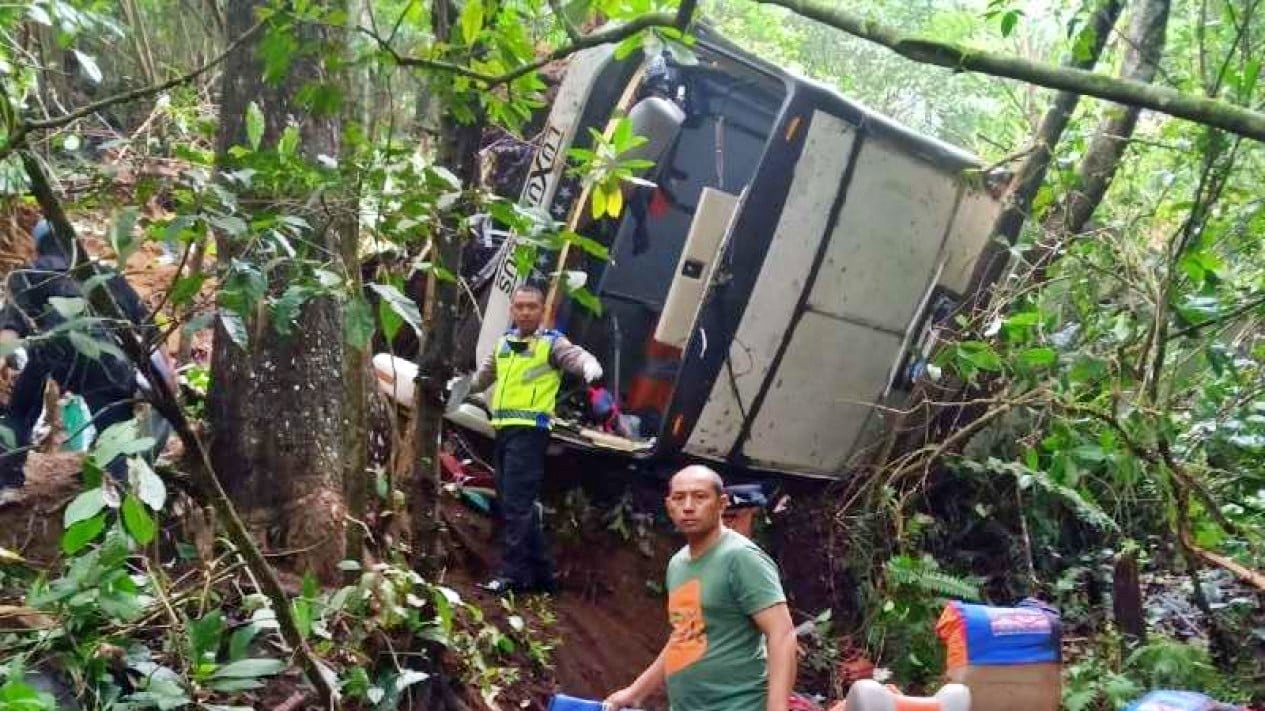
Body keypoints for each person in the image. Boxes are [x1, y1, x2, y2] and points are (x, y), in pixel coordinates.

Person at [0, 219, 172, 504]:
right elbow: (148, 331)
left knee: (19, 411)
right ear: (75, 245)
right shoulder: (104, 275)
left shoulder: (28, 275)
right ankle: (119, 499)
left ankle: (6, 481)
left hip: (53, 354)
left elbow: (10, 331)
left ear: (37, 247)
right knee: (114, 430)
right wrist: (168, 379)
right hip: (106, 361)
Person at [604, 465, 797, 711]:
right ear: (668, 506)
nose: (687, 506)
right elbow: (685, 636)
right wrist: (635, 692)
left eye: (700, 497)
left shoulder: (741, 557)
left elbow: (782, 634)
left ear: (722, 503)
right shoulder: (678, 564)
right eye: (679, 498)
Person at [464, 283, 604, 595]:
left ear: (542, 312)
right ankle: (543, 576)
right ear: (512, 311)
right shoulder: (504, 344)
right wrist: (454, 388)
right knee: (512, 502)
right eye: (520, 306)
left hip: (529, 434)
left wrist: (588, 365)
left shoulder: (550, 343)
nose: (525, 312)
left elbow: (574, 356)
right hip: (503, 431)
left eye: (532, 307)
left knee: (516, 505)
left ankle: (511, 574)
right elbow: (481, 380)